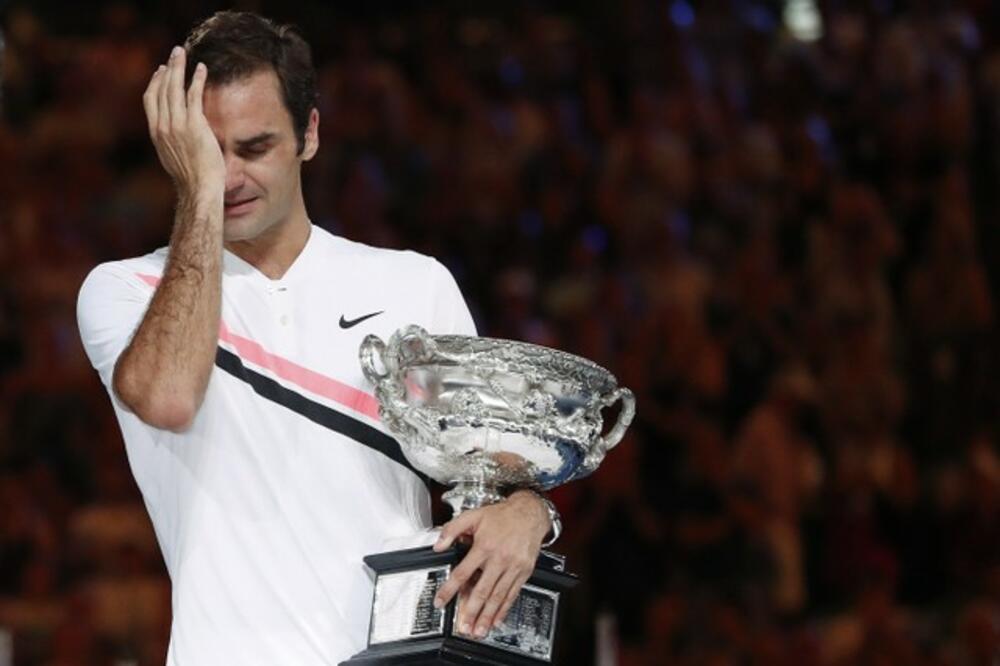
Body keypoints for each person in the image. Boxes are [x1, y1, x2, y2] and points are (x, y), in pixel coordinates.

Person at [76, 11, 555, 665]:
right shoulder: (127, 290)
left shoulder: (416, 285)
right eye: (208, 152)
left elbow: (490, 480)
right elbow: (169, 398)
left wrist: (529, 513)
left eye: (254, 148)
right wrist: (198, 196)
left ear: (309, 135)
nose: (230, 177)